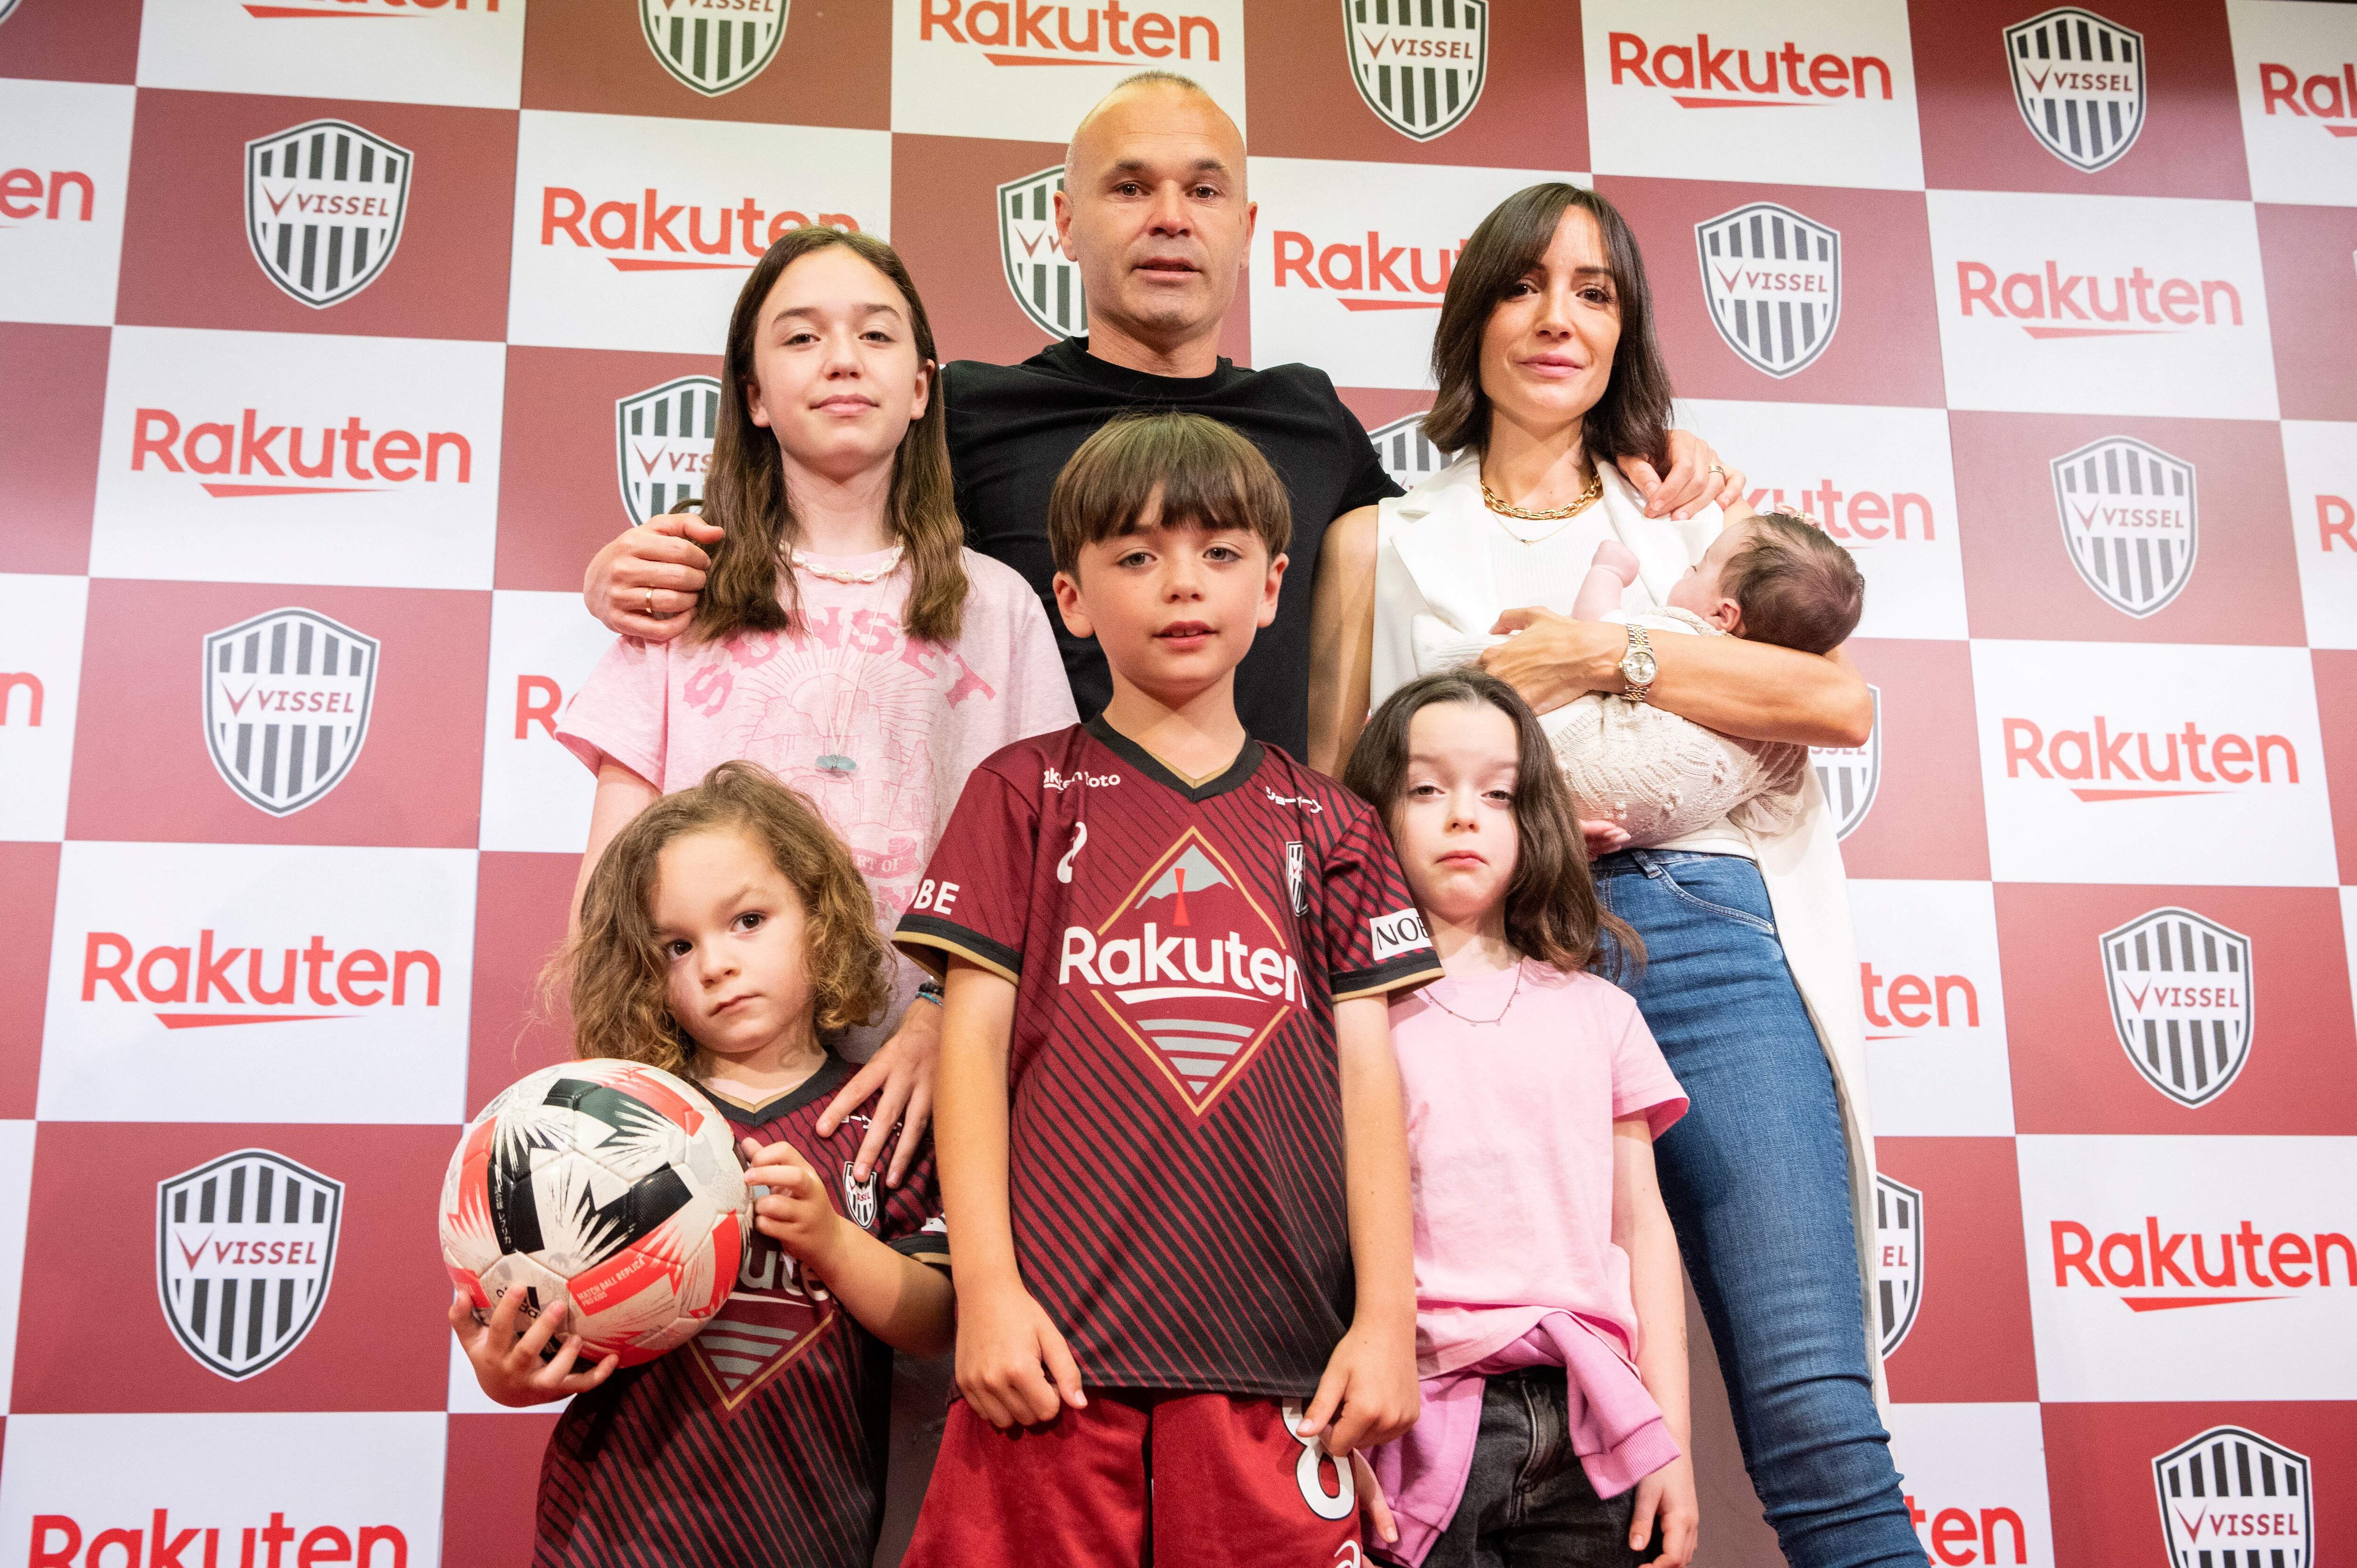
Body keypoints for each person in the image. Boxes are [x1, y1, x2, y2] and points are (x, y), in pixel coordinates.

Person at [1327, 183, 1927, 1568]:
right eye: (1525, 285)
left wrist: (1595, 656)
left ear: (1628, 329)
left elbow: (1834, 705)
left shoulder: (1691, 519)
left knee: (1815, 1417)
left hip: (1705, 941)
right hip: (1484, 977)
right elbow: (1335, 790)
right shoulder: (1383, 536)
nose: (1557, 317)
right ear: (1470, 315)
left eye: (1594, 291)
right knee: (1471, 1403)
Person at [579, 71, 1740, 776]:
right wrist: (640, 563)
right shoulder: (972, 412)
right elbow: (816, 523)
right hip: (1017, 887)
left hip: (1257, 890)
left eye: (1202, 190)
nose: (1169, 219)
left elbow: (1460, 558)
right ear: (1064, 225)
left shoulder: (1308, 419)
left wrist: (1636, 462)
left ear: (1247, 225)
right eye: (1129, 187)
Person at [887, 412, 1445, 1568]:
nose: (1181, 584)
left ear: (1274, 586)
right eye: (1136, 555)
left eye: (1219, 552)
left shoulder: (1333, 824)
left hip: (1280, 1377)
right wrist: (985, 1289)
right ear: (1074, 599)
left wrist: (1387, 1322)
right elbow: (970, 1055)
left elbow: (1371, 1085)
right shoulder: (1022, 792)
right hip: (1049, 1370)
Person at [555, 226, 1075, 1189]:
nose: (841, 359)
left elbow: (1044, 863)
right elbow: (611, 888)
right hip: (713, 1104)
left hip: (936, 1089)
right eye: (800, 338)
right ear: (752, 396)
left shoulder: (998, 604)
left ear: (922, 387)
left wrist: (938, 1018)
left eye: (875, 336)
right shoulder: (678, 594)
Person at [447, 761, 956, 1568]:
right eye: (678, 945)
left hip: (809, 1538)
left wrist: (832, 1239)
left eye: (748, 920)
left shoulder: (880, 1119)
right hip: (612, 1540)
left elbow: (937, 1321)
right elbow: (538, 1328)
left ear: (819, 918)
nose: (715, 963)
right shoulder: (603, 1125)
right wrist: (508, 1375)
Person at [1342, 669, 1697, 1568]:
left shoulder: (1600, 1012)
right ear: (1370, 814)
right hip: (1417, 1413)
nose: (1464, 815)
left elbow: (1640, 1225)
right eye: (1426, 788)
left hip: (1593, 1421)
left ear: (1533, 815)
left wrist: (1671, 1437)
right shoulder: (1345, 1015)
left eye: (1497, 793)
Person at [1415, 512, 1866, 850]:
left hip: (1563, 767)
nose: (1685, 572)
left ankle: (1438, 656)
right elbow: (1772, 814)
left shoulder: (1684, 632)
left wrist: (1607, 574)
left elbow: (1594, 628)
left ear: (1723, 615)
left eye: (1697, 568)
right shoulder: (1784, 741)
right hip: (1603, 831)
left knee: (1502, 668)